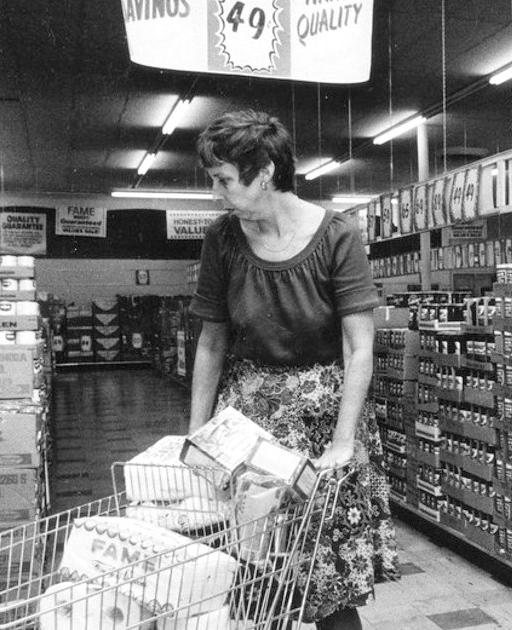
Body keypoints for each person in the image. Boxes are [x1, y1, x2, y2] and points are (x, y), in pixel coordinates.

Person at [188, 110, 398, 630]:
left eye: (223, 180)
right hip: (248, 425)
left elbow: (358, 349)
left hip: (323, 420)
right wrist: (195, 432)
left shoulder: (336, 236)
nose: (216, 193)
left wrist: (344, 441)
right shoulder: (223, 239)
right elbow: (212, 343)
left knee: (326, 575)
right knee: (253, 571)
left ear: (264, 171)